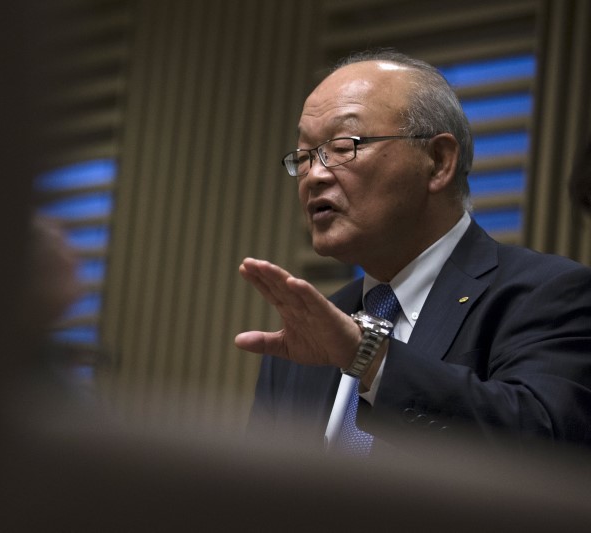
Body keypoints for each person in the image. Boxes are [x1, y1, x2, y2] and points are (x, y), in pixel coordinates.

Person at [235, 50, 591, 455]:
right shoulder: (308, 333)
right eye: (304, 156)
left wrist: (368, 360)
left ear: (438, 162)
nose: (314, 175)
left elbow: (545, 446)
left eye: (343, 145)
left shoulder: (548, 295)